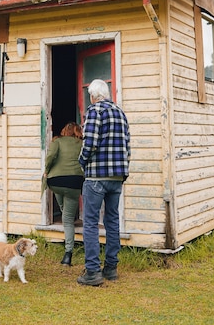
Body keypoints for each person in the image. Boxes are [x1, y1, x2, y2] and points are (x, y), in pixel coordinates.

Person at [76, 79, 130, 286]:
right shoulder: (120, 113)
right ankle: (111, 268)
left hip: (96, 176)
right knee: (112, 221)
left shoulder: (94, 111)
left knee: (90, 222)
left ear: (92, 95)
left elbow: (89, 143)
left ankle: (92, 271)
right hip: (117, 176)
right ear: (106, 94)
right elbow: (128, 146)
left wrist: (82, 162)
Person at [44, 121, 84, 266]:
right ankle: (68, 254)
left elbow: (50, 157)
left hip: (56, 181)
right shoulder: (81, 143)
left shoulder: (57, 141)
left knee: (64, 210)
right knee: (67, 220)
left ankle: (67, 214)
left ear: (63, 130)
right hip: (74, 181)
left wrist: (46, 170)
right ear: (78, 131)